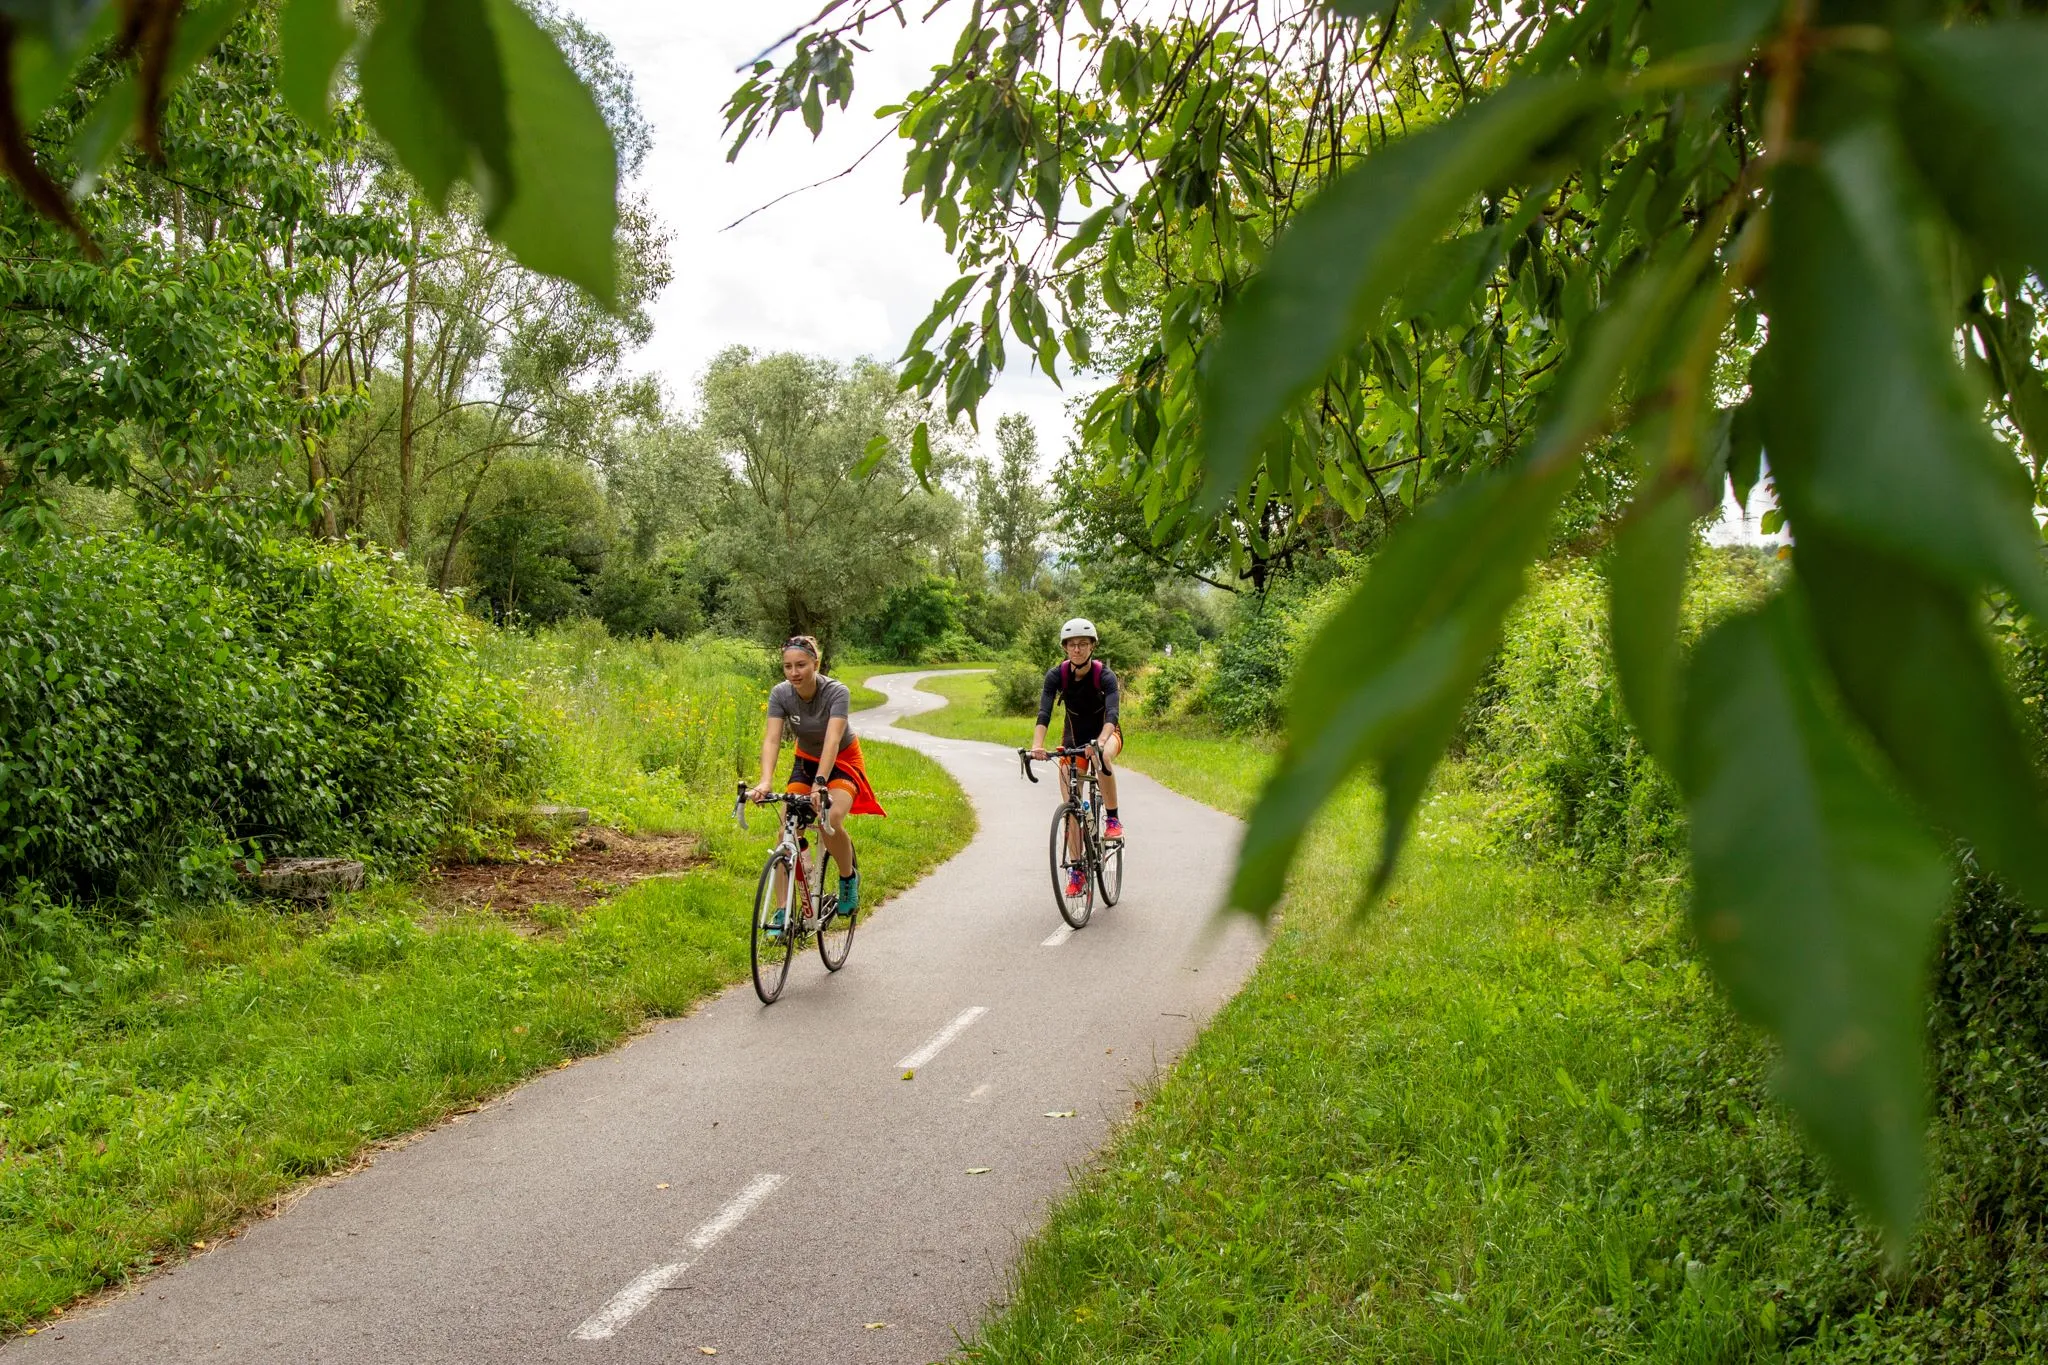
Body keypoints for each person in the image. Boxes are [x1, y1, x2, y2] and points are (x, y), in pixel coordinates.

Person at [748, 635, 885, 923]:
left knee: (829, 820)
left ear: (816, 663)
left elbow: (833, 740)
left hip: (842, 760)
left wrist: (821, 782)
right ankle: (782, 910)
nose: (794, 673)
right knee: (787, 823)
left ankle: (848, 879)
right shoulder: (780, 694)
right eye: (787, 666)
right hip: (806, 761)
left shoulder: (837, 692)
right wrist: (764, 781)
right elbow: (772, 740)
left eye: (801, 665)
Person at [1028, 617, 1123, 899]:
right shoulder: (1056, 675)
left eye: (1083, 644)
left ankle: (1113, 820)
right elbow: (1044, 713)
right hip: (1073, 739)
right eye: (1072, 645)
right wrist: (1037, 745)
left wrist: (1102, 740)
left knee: (1102, 756)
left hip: (1107, 734)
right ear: (1065, 648)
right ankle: (1077, 873)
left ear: (1093, 646)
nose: (1077, 649)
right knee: (1070, 803)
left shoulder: (1104, 675)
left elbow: (1113, 714)